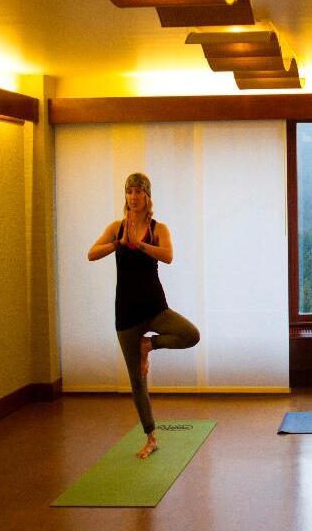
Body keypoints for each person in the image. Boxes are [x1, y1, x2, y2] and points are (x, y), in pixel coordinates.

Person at [88, 172, 200, 458]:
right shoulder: (116, 228)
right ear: (125, 196)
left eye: (139, 192)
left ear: (147, 196)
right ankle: (151, 437)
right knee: (137, 381)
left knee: (191, 334)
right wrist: (118, 244)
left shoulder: (157, 228)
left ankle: (148, 344)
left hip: (155, 308)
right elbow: (91, 253)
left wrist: (140, 245)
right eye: (130, 192)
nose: (134, 197)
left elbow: (168, 255)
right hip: (126, 314)